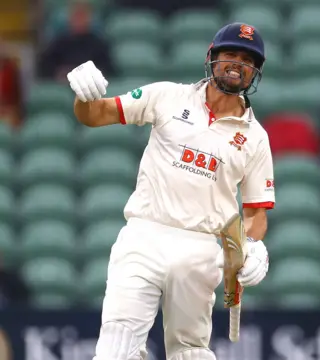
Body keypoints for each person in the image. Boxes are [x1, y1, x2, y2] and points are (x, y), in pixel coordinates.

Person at [66, 22, 274, 360]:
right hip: (145, 235)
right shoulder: (167, 95)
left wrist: (251, 246)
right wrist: (83, 96)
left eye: (248, 60)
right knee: (115, 349)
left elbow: (255, 213)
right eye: (230, 54)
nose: (237, 63)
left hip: (201, 248)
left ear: (256, 73)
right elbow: (94, 114)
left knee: (189, 353)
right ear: (212, 57)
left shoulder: (255, 137)